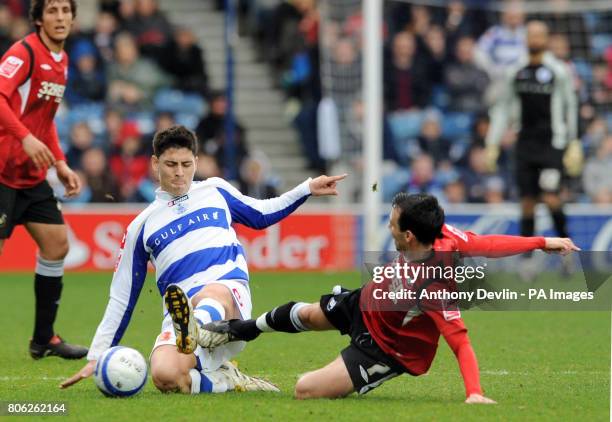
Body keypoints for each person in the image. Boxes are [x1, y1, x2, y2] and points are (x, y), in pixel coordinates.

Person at [188, 193, 579, 401]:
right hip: (368, 302)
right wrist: (542, 241)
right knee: (305, 314)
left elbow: (459, 341)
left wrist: (474, 394)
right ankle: (238, 330)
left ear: (408, 236)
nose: (388, 226)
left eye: (392, 223)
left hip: (385, 349)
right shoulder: (446, 235)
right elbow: (491, 243)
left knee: (306, 390)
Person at [60, 125, 346, 394]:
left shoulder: (214, 189)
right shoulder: (140, 227)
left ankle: (196, 326)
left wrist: (307, 188)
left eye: (187, 164)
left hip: (228, 297)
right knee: (166, 376)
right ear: (155, 164)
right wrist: (97, 355)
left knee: (211, 293)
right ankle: (225, 378)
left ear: (196, 161)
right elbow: (122, 297)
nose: (179, 173)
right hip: (180, 312)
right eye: (171, 165)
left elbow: (261, 214)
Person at [0, 0, 87, 359]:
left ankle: (43, 340)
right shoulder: (24, 54)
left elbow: (45, 118)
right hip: (2, 171)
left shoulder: (62, 61)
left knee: (56, 245)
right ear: (38, 19)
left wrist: (61, 163)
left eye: (66, 10)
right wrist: (24, 137)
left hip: (31, 176)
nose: (61, 17)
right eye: (52, 11)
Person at [486, 21, 579, 251]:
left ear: (546, 39)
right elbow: (503, 108)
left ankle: (566, 248)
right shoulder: (515, 71)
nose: (535, 39)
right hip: (525, 143)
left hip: (551, 144)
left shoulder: (559, 71)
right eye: (531, 35)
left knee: (550, 198)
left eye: (540, 35)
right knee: (527, 203)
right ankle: (527, 259)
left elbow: (570, 106)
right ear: (525, 38)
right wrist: (492, 143)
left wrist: (573, 141)